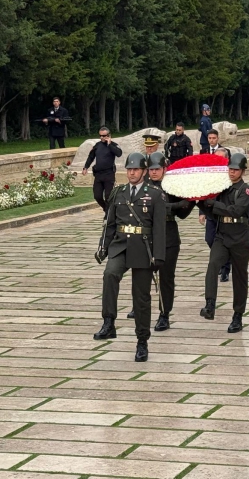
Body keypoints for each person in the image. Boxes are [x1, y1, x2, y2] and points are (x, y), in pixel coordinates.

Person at [93, 152, 166, 362]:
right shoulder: (119, 192)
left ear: (143, 172)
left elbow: (159, 229)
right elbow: (110, 224)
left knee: (141, 296)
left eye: (135, 169)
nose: (132, 173)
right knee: (110, 274)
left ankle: (142, 341)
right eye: (129, 169)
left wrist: (159, 256)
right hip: (121, 245)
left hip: (143, 248)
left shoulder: (153, 194)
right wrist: (103, 247)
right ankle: (109, 322)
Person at [133, 152, 194, 330]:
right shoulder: (142, 188)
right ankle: (139, 308)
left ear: (164, 169)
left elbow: (182, 214)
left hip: (169, 236)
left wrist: (190, 200)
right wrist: (174, 206)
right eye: (151, 169)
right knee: (142, 277)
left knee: (166, 278)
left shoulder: (172, 187)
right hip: (148, 237)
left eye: (157, 169)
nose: (154, 173)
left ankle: (164, 313)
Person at [199, 153, 249, 333]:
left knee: (239, 278)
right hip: (222, 235)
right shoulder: (220, 188)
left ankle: (238, 315)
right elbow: (211, 210)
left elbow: (236, 211)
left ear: (243, 171)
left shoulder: (245, 190)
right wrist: (202, 202)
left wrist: (213, 205)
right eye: (230, 169)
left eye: (235, 169)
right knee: (213, 265)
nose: (232, 172)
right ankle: (210, 304)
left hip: (239, 237)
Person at [199, 147, 232, 281]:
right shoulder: (209, 174)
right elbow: (204, 193)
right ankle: (221, 259)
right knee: (209, 239)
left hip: (225, 214)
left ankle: (225, 268)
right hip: (212, 214)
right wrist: (202, 212)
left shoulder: (231, 174)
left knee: (225, 241)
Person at [82, 127, 123, 214]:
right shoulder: (97, 145)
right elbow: (91, 157)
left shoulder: (113, 145)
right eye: (100, 136)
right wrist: (85, 167)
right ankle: (106, 209)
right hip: (98, 174)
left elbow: (119, 153)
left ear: (109, 135)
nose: (101, 137)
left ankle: (108, 215)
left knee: (108, 197)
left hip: (109, 174)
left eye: (104, 136)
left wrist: (109, 144)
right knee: (97, 196)